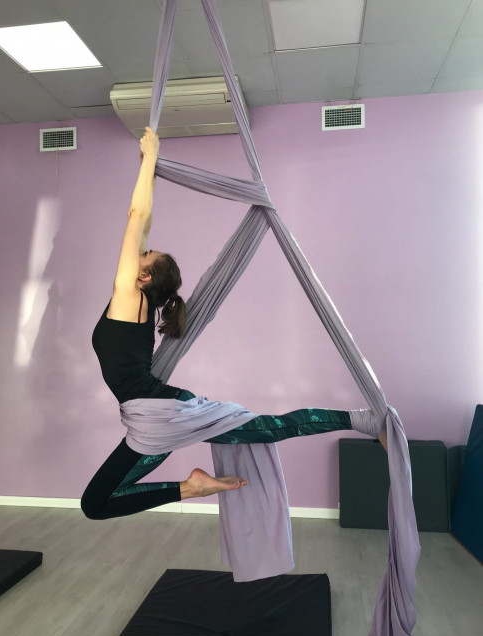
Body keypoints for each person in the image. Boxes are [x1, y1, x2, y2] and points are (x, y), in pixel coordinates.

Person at [81, 127, 387, 521]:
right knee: (264, 429)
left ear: (143, 276)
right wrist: (148, 171)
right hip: (155, 416)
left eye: (145, 254)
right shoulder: (137, 299)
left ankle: (363, 420)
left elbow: (136, 217)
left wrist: (152, 157)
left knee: (96, 503)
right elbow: (143, 221)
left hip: (160, 416)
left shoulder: (129, 296)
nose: (138, 249)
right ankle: (194, 486)